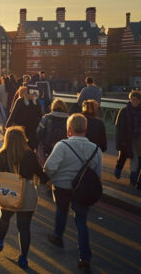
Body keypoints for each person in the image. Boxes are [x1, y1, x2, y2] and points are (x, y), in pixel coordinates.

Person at [44, 114, 102, 272]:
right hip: (83, 190)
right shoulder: (96, 149)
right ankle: (84, 257)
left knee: (61, 210)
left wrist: (53, 177)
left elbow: (49, 167)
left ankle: (58, 236)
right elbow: (98, 174)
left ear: (69, 129)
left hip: (62, 187)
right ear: (85, 129)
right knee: (81, 221)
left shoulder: (62, 145)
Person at [0, 126, 48, 270]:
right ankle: (23, 259)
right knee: (24, 228)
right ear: (23, 139)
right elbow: (42, 176)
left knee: (4, 216)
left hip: (9, 191)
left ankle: (0, 240)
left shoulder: (3, 154)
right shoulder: (30, 155)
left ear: (7, 139)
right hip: (27, 192)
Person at [114, 90, 141, 186]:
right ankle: (117, 170)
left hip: (137, 139)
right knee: (122, 157)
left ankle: (133, 179)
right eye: (133, 99)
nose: (135, 101)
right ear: (129, 99)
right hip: (126, 138)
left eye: (137, 100)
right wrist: (120, 142)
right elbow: (119, 128)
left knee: (135, 159)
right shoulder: (124, 111)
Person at [6, 87, 43, 152]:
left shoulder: (19, 100)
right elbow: (41, 114)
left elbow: (13, 114)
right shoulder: (36, 100)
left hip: (21, 128)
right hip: (33, 127)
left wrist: (7, 126)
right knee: (31, 147)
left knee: (22, 147)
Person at [35, 99, 69, 165]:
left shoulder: (46, 118)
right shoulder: (69, 119)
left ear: (52, 107)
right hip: (63, 149)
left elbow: (38, 133)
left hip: (47, 149)